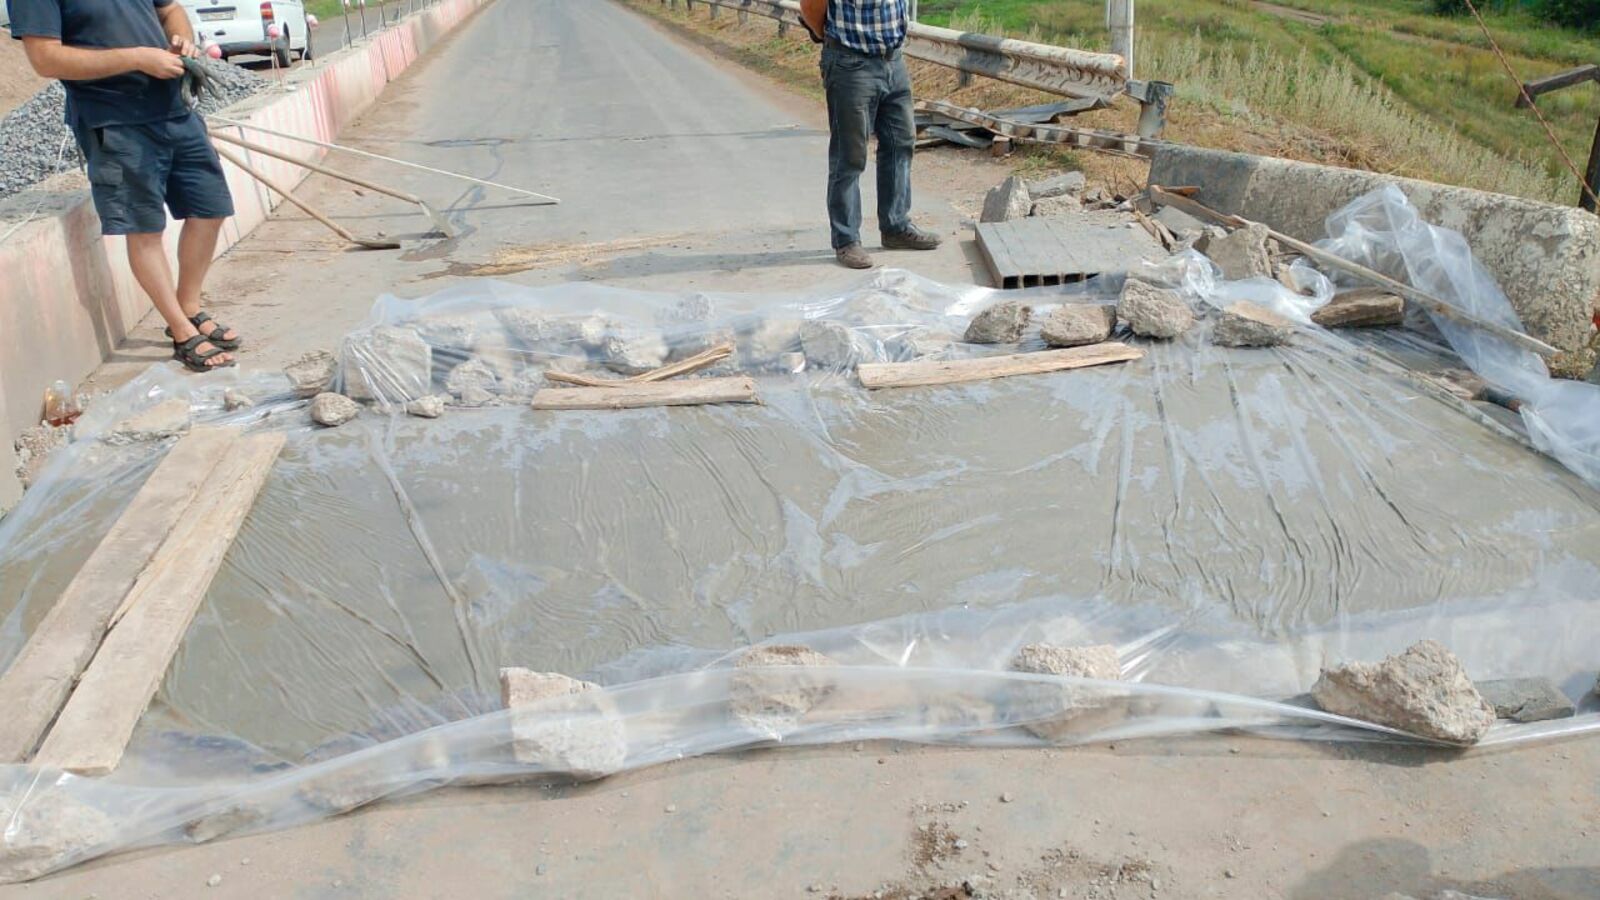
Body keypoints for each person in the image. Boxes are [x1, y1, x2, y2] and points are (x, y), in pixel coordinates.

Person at [10, 0, 241, 371]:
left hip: (175, 109)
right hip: (114, 121)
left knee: (211, 208)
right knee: (144, 227)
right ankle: (182, 331)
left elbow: (169, 10)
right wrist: (136, 58)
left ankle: (190, 305)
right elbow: (46, 59)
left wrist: (180, 38)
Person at [815, 0, 941, 270]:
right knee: (850, 155)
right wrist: (824, 36)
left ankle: (895, 226)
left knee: (901, 142)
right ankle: (846, 240)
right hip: (851, 63)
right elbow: (811, 5)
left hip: (893, 61)